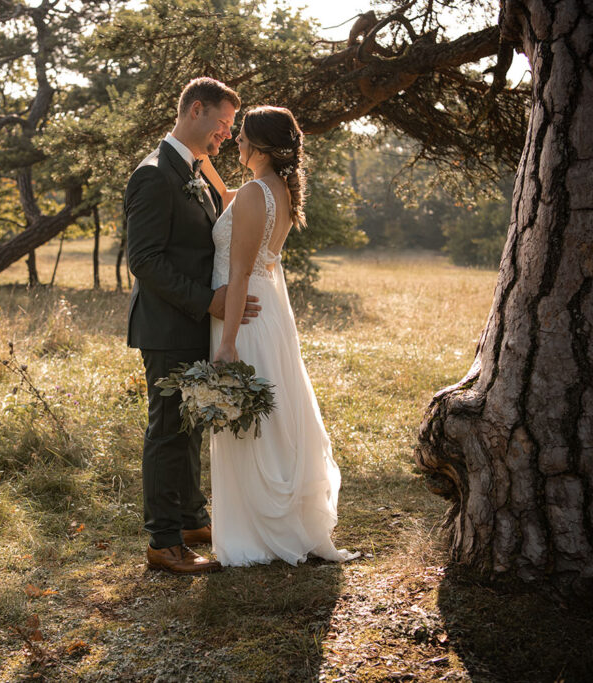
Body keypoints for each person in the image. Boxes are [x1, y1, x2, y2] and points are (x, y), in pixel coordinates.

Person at [202, 105, 359, 567]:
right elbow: (226, 195)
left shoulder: (254, 193)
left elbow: (240, 270)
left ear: (262, 146)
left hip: (242, 315)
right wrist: (200, 156)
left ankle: (258, 530)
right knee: (269, 416)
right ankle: (276, 518)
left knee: (248, 419)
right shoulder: (276, 190)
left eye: (241, 135)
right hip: (264, 310)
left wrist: (227, 343)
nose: (235, 141)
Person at [124, 77, 260, 574]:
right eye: (223, 123)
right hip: (166, 325)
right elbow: (145, 260)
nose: (227, 133)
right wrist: (209, 302)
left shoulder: (195, 170)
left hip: (192, 323)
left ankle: (190, 517)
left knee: (190, 425)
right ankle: (164, 543)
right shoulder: (154, 174)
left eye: (230, 127)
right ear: (195, 110)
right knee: (167, 432)